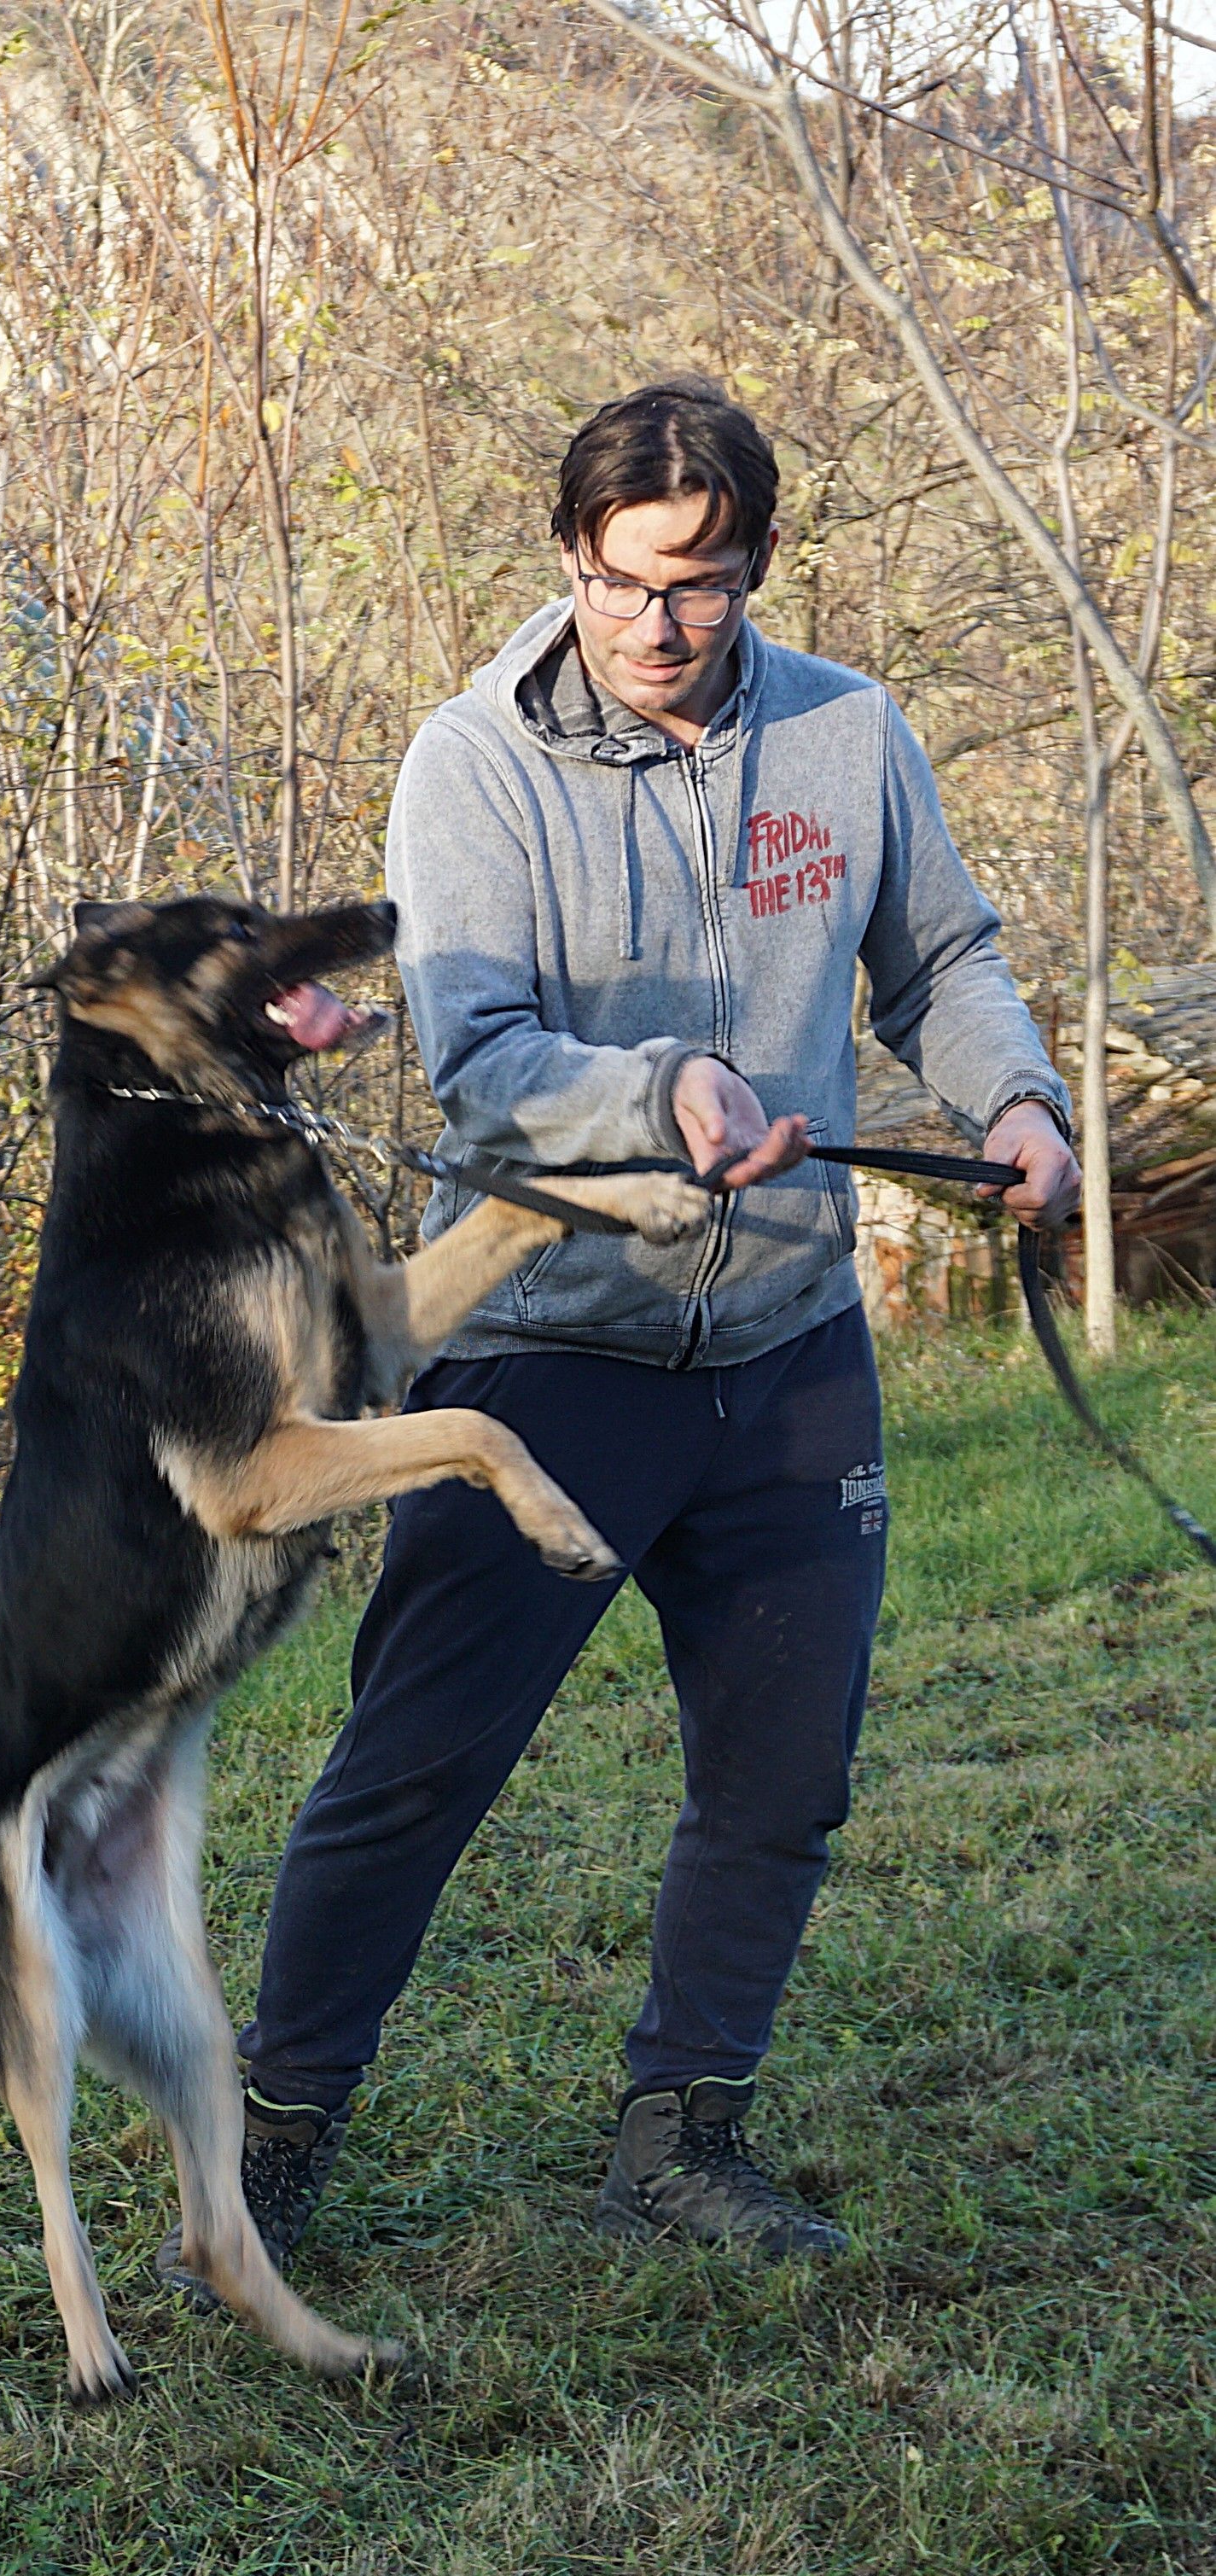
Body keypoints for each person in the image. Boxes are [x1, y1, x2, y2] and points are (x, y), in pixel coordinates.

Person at [164, 373, 1080, 2296]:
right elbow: (485, 1067)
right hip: (542, 1360)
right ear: (571, 556)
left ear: (754, 567)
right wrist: (661, 1087)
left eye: (707, 587)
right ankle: (271, 2139)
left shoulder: (845, 732)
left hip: (786, 1348)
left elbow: (940, 960)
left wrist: (1015, 1101)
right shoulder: (469, 764)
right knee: (415, 1765)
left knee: (781, 1775)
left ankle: (683, 2137)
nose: (662, 626)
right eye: (629, 582)